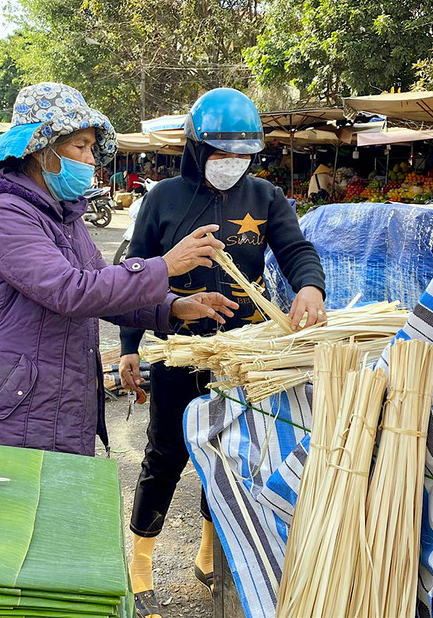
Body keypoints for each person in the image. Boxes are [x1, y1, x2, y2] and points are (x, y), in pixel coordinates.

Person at [119, 88, 326, 618]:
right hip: (178, 349)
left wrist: (310, 288)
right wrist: (128, 350)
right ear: (195, 148)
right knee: (165, 454)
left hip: (243, 355)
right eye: (220, 154)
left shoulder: (266, 199)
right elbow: (132, 276)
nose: (232, 165)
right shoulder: (163, 199)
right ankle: (140, 563)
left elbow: (298, 251)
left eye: (242, 155)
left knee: (229, 453)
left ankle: (210, 552)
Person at [0, 81, 237, 463]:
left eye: (91, 148)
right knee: (16, 514)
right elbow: (71, 291)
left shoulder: (61, 213)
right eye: (79, 146)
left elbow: (102, 287)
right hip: (16, 404)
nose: (90, 159)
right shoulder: (5, 213)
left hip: (57, 397)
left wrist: (172, 308)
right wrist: (165, 266)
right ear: (41, 149)